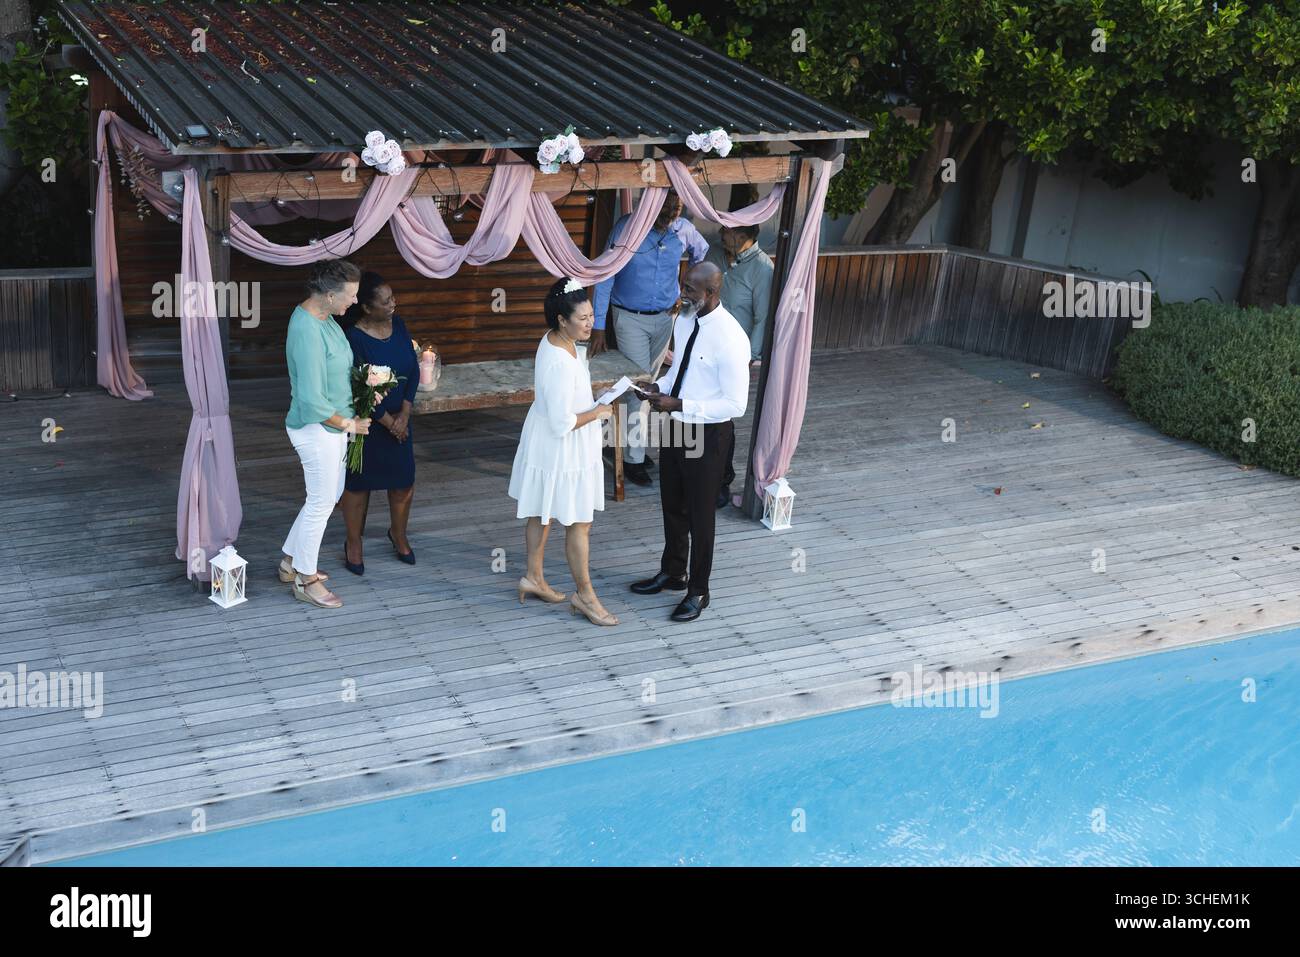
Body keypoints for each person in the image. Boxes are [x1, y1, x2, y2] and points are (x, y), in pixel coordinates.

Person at [628, 262, 750, 623]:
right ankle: (673, 572)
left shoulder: (731, 338)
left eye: (691, 289)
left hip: (708, 434)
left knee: (701, 516)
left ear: (712, 293)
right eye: (684, 284)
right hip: (676, 427)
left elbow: (735, 405)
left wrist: (681, 404)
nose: (683, 292)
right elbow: (681, 371)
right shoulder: (683, 321)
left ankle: (699, 590)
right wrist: (659, 388)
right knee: (672, 504)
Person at [508, 277, 619, 626]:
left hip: (554, 440)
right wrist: (599, 412)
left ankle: (534, 577)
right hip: (561, 445)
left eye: (590, 316)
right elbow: (561, 423)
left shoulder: (562, 340)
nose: (590, 323)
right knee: (579, 523)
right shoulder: (557, 359)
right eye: (583, 318)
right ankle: (585, 596)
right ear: (562, 319)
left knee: (543, 510)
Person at [590, 189, 708, 487]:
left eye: (676, 207)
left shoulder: (683, 230)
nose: (671, 212)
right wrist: (599, 325)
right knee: (638, 389)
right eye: (666, 206)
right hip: (629, 318)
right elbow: (605, 275)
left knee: (648, 386)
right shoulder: (626, 228)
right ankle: (632, 459)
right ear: (650, 204)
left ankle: (625, 446)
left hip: (665, 318)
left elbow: (701, 253)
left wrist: (686, 291)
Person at [280, 258, 369, 609]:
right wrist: (350, 424)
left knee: (326, 496)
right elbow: (312, 401)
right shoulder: (306, 329)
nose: (354, 302)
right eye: (350, 296)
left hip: (331, 425)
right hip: (316, 428)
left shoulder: (327, 319)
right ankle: (305, 578)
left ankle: (290, 560)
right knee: (320, 501)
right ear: (330, 295)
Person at [338, 272, 420, 574]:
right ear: (367, 308)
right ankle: (353, 542)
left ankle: (398, 534)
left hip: (401, 420)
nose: (393, 304)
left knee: (403, 482)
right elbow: (358, 387)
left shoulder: (398, 325)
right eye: (385, 302)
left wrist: (405, 414)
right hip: (368, 425)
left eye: (392, 297)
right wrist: (388, 422)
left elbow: (411, 369)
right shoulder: (354, 339)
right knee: (358, 486)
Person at [706, 223, 774, 508]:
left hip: (733, 355)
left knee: (722, 420)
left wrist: (749, 358)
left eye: (727, 231)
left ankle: (721, 481)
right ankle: (694, 474)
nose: (720, 234)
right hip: (704, 345)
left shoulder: (762, 269)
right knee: (692, 410)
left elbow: (762, 317)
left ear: (745, 237)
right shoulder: (717, 254)